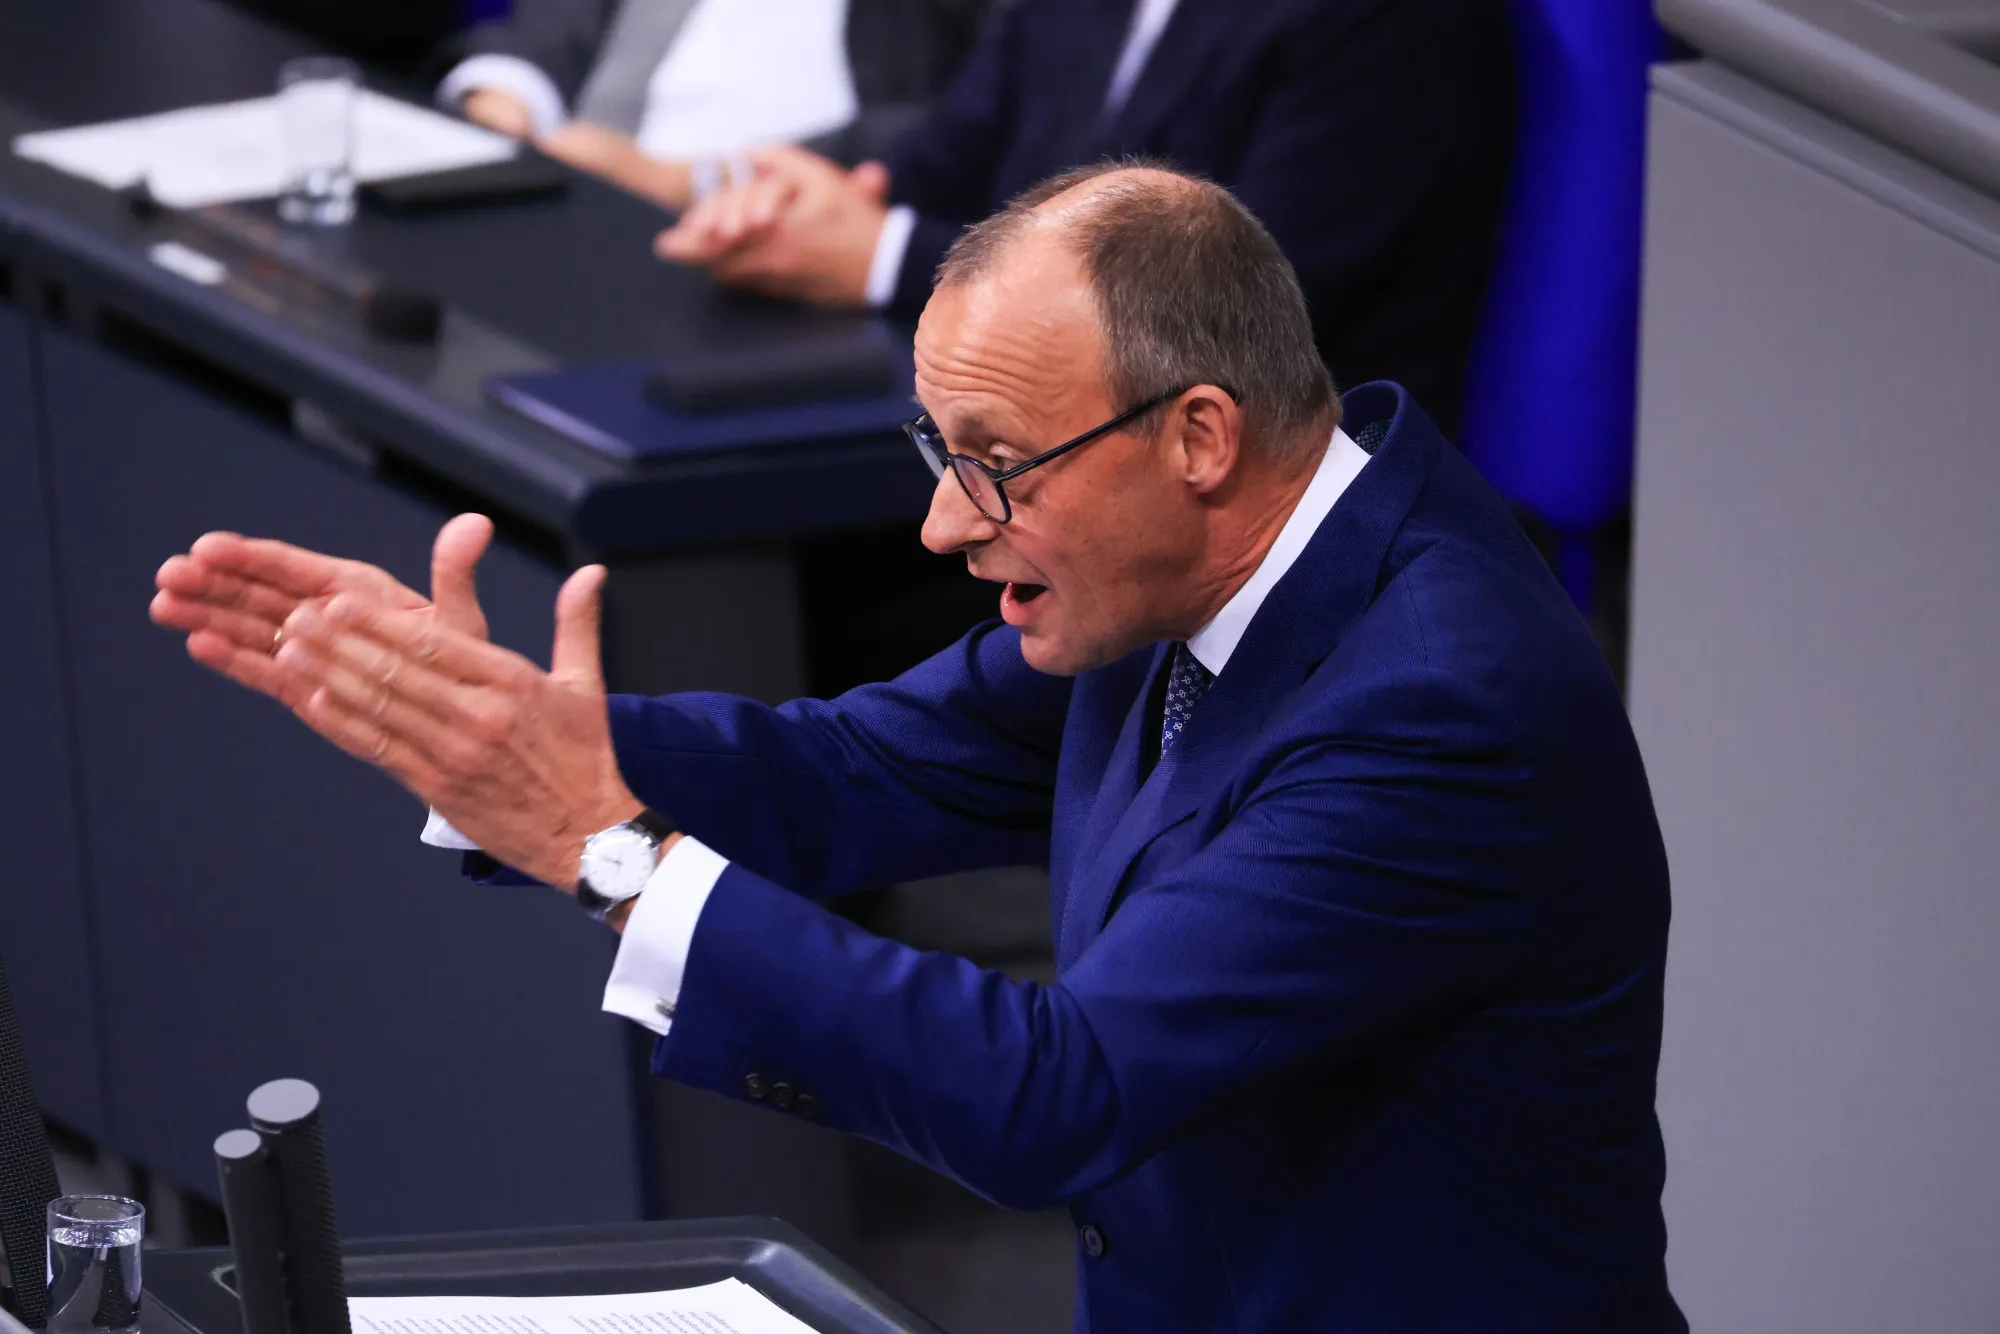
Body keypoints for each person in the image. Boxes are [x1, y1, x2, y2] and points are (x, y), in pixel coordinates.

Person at [151, 165, 1683, 1332]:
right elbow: (863, 769)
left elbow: (1057, 1091)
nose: (948, 522)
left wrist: (604, 847)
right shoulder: (1187, 572)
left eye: (996, 467)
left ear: (1199, 436)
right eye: (940, 454)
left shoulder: (1438, 710)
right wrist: (507, 743)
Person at [655, 0, 1515, 435]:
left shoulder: (1391, 18)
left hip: (1250, 491)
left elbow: (1236, 308)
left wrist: (880, 253)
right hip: (1039, 445)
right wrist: (809, 207)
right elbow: (948, 153)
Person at [434, 0, 985, 210]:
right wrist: (505, 97)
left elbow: (965, 126)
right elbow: (545, 29)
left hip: (752, 250)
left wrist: (692, 183)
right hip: (547, 197)